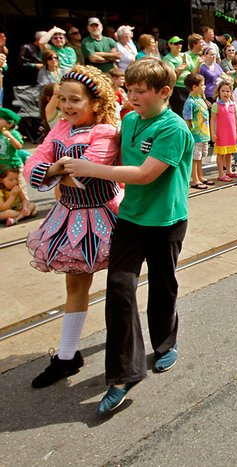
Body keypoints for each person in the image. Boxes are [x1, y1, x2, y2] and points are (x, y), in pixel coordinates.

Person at [60, 58, 194, 414]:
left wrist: (93, 170)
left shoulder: (174, 129)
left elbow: (145, 174)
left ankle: (165, 345)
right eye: (129, 90)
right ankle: (123, 374)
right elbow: (108, 149)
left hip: (166, 222)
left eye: (140, 91)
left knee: (163, 285)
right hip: (130, 220)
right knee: (119, 288)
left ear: (164, 92)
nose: (132, 97)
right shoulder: (130, 120)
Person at [24, 65, 121, 388]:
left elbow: (87, 172)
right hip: (69, 218)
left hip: (105, 217)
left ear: (95, 102)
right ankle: (67, 356)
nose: (66, 106)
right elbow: (32, 165)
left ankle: (125, 344)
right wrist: (54, 169)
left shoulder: (104, 131)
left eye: (74, 100)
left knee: (122, 285)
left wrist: (55, 172)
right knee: (75, 286)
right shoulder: (61, 129)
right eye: (61, 99)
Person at [182, 73, 213, 189]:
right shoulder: (190, 102)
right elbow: (188, 120)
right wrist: (189, 135)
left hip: (204, 134)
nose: (204, 87)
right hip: (196, 136)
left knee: (200, 157)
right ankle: (194, 179)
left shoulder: (200, 99)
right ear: (194, 87)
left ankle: (200, 176)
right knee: (195, 158)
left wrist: (204, 97)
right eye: (202, 85)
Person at [210, 79, 237, 182]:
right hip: (221, 134)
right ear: (219, 91)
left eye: (228, 91)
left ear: (231, 92)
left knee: (229, 153)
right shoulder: (216, 105)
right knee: (221, 154)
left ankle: (229, 171)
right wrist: (213, 133)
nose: (225, 93)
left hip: (231, 133)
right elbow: (212, 120)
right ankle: (221, 173)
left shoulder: (233, 105)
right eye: (223, 91)